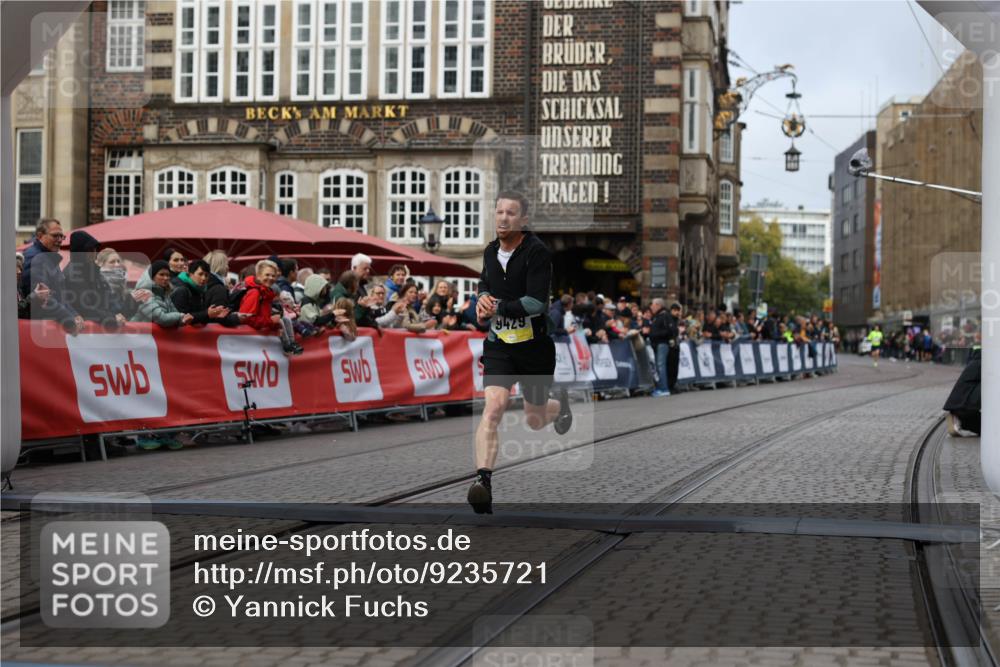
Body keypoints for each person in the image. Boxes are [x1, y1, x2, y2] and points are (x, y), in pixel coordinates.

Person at [468, 191, 572, 514]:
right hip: (500, 345)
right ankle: (482, 481)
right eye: (499, 211)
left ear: (523, 219)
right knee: (494, 407)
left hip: (534, 349)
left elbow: (536, 303)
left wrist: (496, 306)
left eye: (510, 213)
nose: (502, 218)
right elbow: (484, 284)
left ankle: (558, 407)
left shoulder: (537, 253)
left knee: (535, 418)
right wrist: (482, 297)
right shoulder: (489, 252)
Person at [21, 219, 85, 333]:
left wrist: (74, 314)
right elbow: (43, 298)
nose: (60, 240)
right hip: (38, 330)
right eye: (55, 236)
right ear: (40, 236)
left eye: (62, 236)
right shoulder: (36, 259)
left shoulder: (50, 258)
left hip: (48, 328)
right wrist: (69, 318)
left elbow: (61, 297)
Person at [62, 230, 128, 330]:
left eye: (95, 249)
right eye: (90, 250)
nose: (94, 253)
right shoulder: (72, 275)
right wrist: (112, 318)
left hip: (100, 329)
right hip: (84, 334)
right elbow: (85, 308)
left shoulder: (94, 270)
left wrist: (118, 312)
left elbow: (108, 297)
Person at [238, 259, 303, 356]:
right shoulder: (255, 292)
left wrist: (276, 325)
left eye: (273, 275)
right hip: (252, 347)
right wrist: (271, 322)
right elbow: (246, 318)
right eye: (267, 275)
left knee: (285, 319)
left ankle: (290, 345)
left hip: (262, 345)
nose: (271, 278)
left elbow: (266, 316)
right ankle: (288, 347)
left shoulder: (267, 292)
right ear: (258, 275)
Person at [170, 259, 237, 325]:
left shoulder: (199, 289)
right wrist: (207, 314)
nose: (203, 278)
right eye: (200, 274)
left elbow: (198, 316)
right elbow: (182, 318)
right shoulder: (181, 290)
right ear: (191, 274)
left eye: (206, 275)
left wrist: (215, 316)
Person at [131, 260, 195, 328]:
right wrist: (181, 316)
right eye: (161, 274)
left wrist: (183, 321)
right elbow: (162, 319)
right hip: (139, 336)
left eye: (168, 275)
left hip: (152, 337)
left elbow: (173, 316)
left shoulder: (165, 295)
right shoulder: (143, 293)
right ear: (152, 277)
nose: (166, 278)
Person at [944, 347, 981, 436]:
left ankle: (955, 417)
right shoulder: (986, 365)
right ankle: (957, 418)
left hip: (957, 407)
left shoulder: (974, 362)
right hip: (966, 408)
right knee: (988, 428)